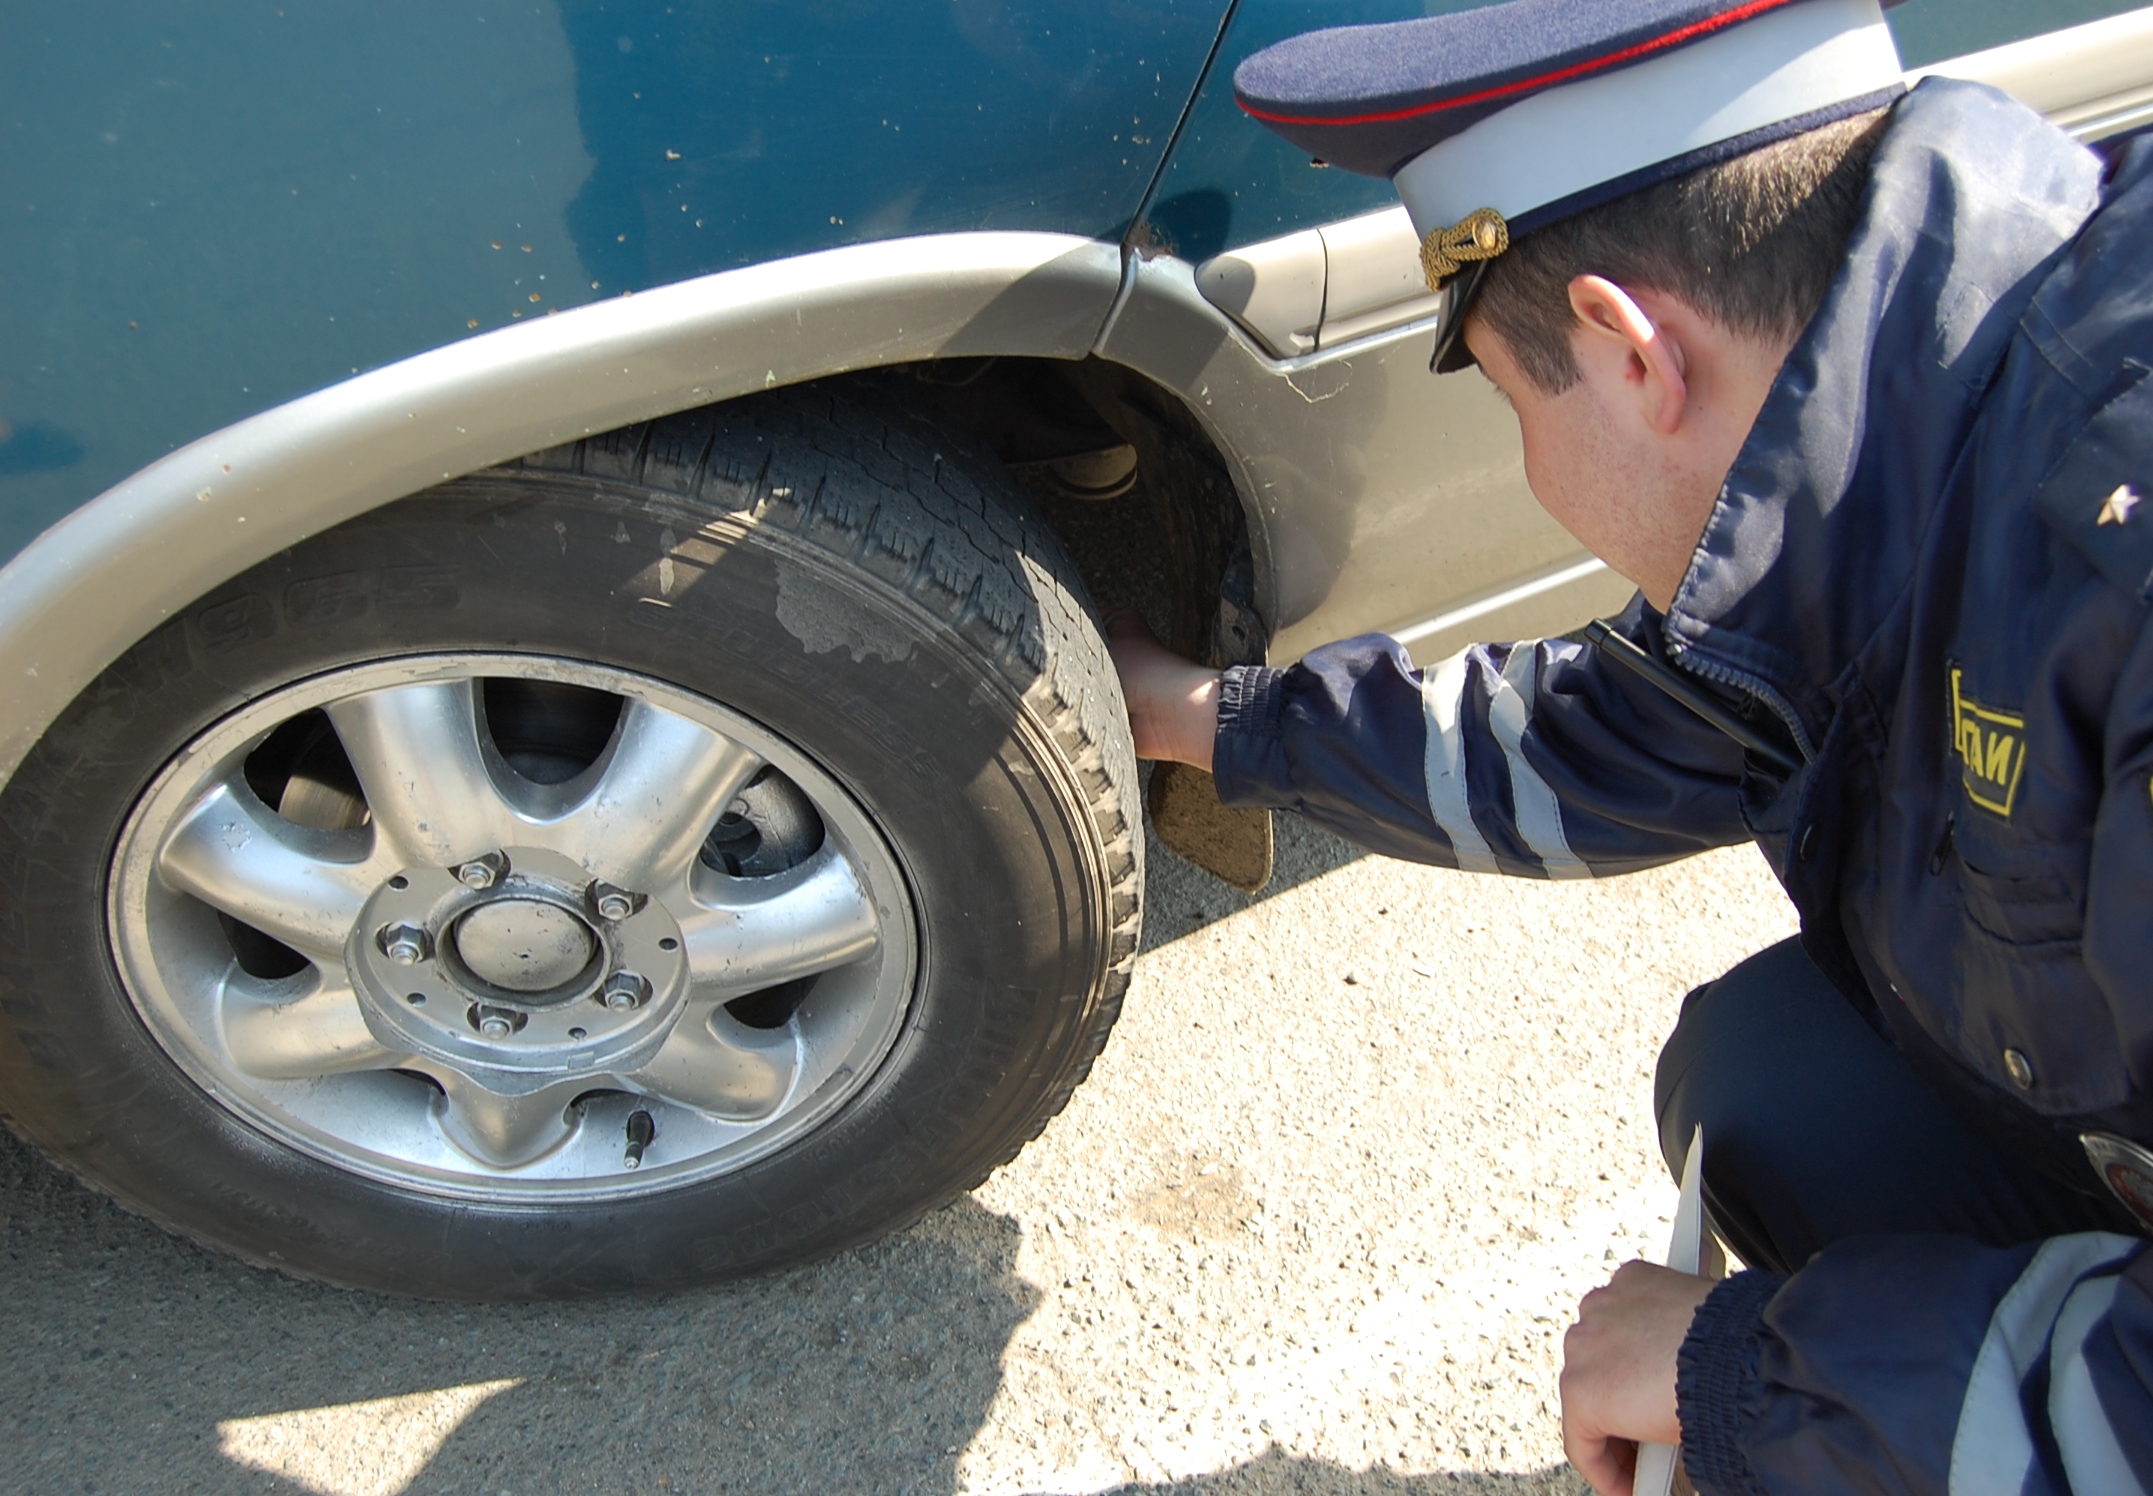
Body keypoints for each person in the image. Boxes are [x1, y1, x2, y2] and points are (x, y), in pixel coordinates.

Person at [1107, 1, 2153, 1491]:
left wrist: (1748, 1376)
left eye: (1517, 406)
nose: (1532, 473)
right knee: (1771, 1081)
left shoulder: (2118, 585)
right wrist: (1202, 717)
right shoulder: (1923, 410)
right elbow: (1625, 732)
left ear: (1627, 347)